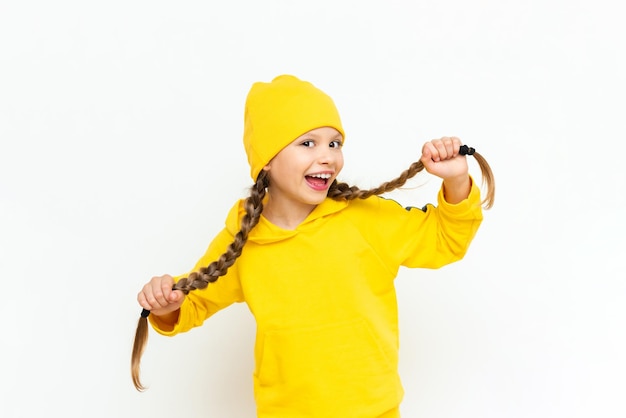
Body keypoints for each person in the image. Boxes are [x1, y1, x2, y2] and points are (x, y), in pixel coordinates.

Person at [132, 74, 495, 418]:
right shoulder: (244, 236)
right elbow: (193, 303)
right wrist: (166, 305)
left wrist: (458, 180)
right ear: (267, 160)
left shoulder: (365, 219)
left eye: (334, 143)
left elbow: (444, 240)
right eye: (308, 143)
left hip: (372, 409)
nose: (328, 156)